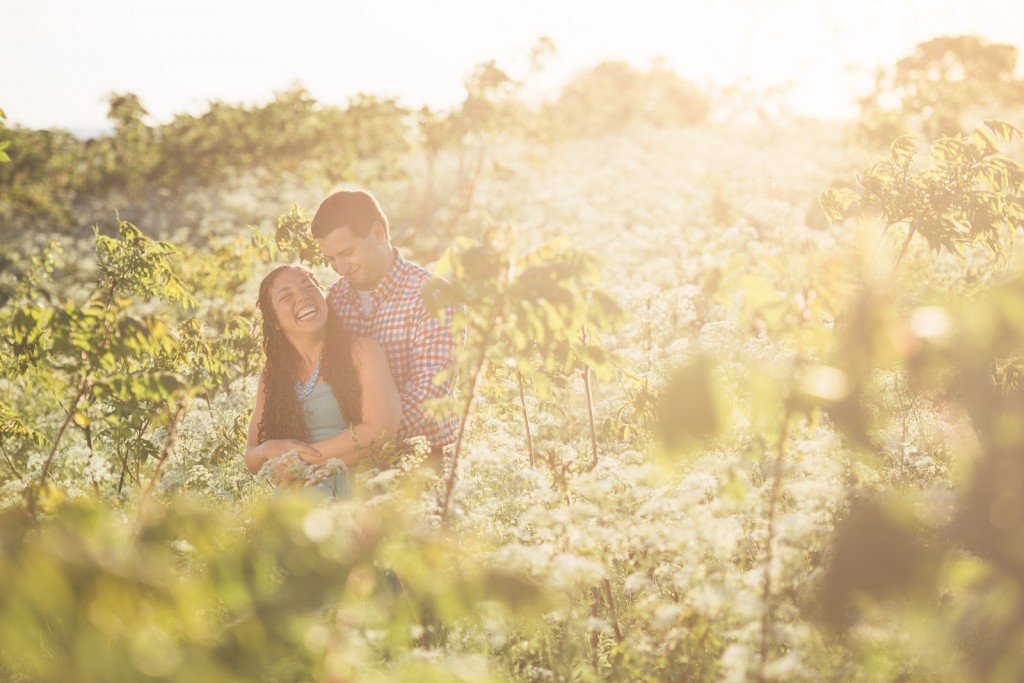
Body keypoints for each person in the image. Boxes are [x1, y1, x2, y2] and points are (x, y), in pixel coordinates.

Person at [310, 189, 459, 466]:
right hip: (343, 464)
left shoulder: (434, 297)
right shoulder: (332, 302)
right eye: (330, 259)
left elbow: (430, 394)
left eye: (347, 252)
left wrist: (360, 439)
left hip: (422, 461)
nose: (340, 268)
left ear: (378, 233)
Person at [244, 264, 401, 497]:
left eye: (308, 287)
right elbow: (251, 457)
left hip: (352, 499)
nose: (303, 296)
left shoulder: (362, 352)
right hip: (292, 510)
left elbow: (379, 431)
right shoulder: (272, 375)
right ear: (275, 321)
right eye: (286, 296)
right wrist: (268, 450)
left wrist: (295, 461)